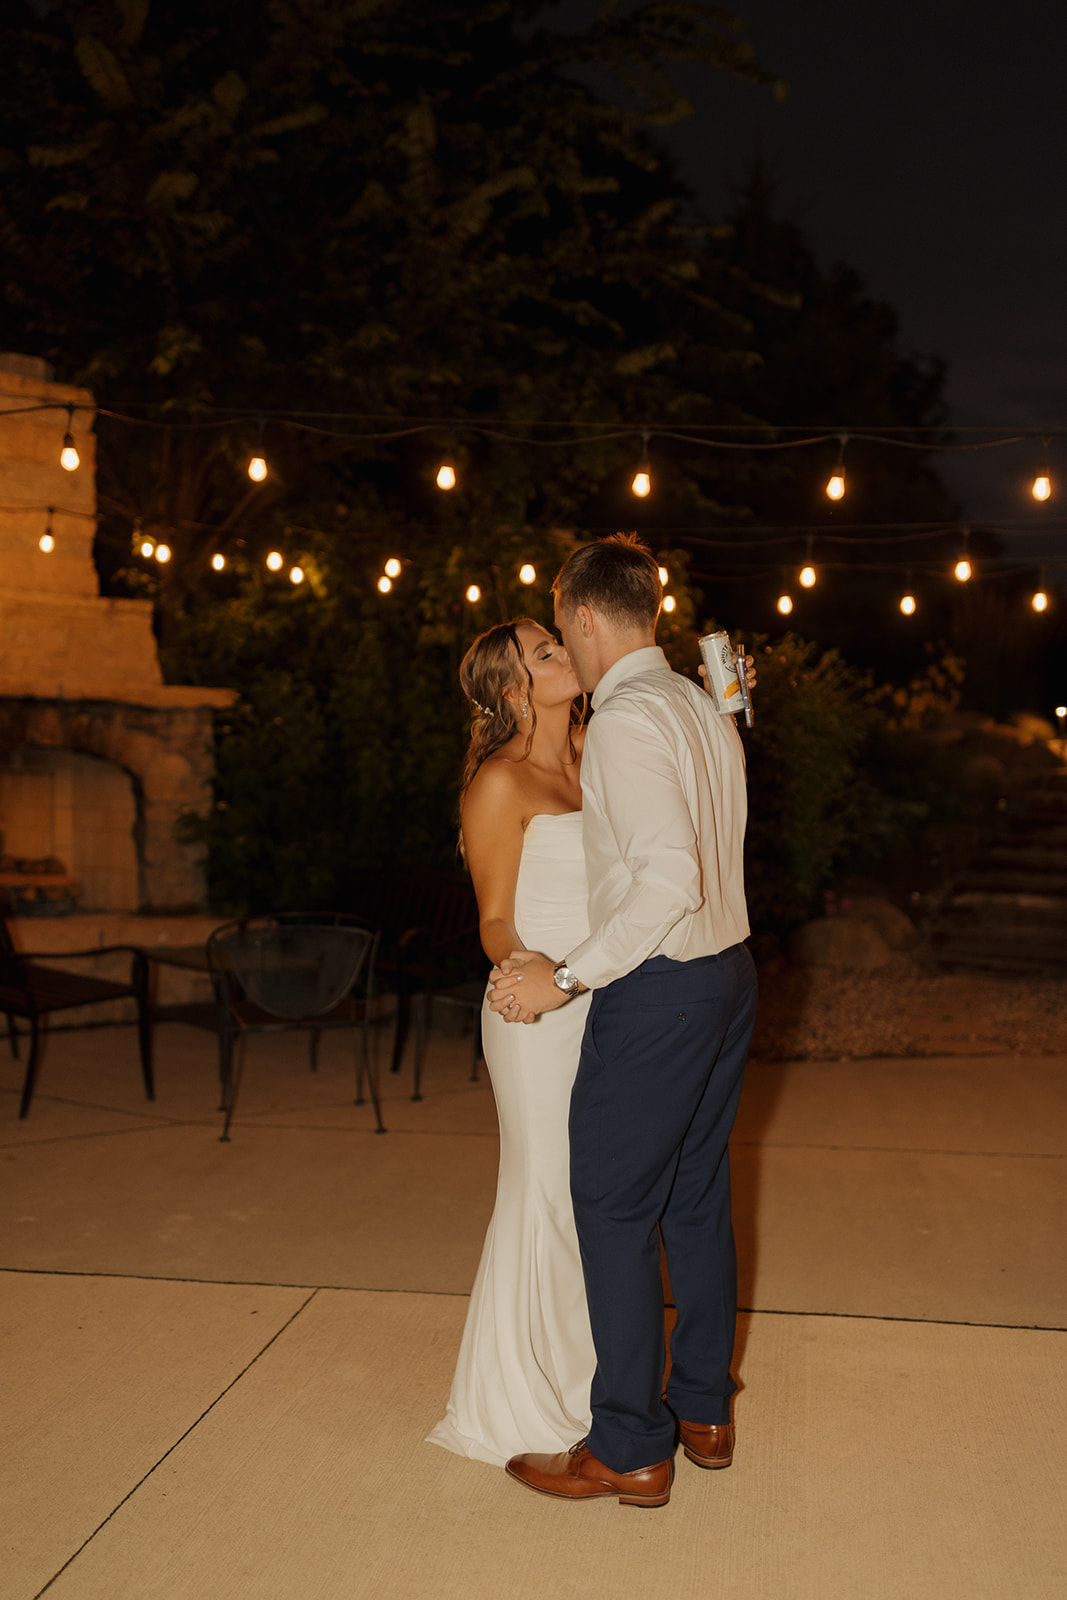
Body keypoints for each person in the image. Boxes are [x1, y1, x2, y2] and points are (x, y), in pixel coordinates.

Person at [488, 533, 758, 1510]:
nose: (565, 641)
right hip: (728, 975)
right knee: (692, 1199)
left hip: (661, 988)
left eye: (562, 627)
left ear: (588, 618)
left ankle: (629, 1444)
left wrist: (567, 975)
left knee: (609, 1205)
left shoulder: (630, 719)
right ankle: (701, 1409)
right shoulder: (696, 702)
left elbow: (665, 880)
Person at [425, 616, 598, 1466]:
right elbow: (494, 918)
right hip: (535, 1014)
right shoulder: (498, 781)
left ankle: (591, 1377)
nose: (563, 654)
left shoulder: (594, 758)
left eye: (558, 643)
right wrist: (530, 974)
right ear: (509, 690)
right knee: (545, 1192)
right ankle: (529, 1401)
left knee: (594, 1195)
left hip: (605, 1001)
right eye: (543, 652)